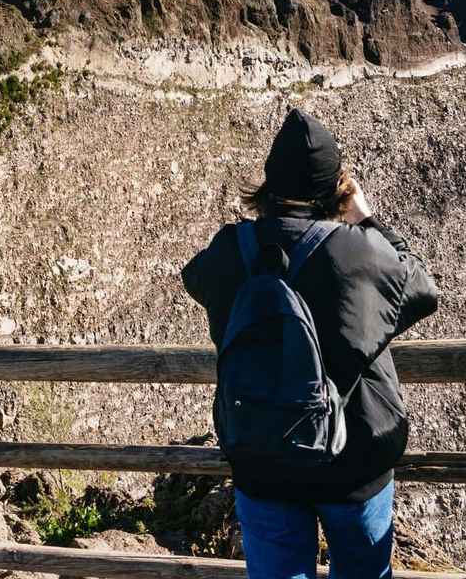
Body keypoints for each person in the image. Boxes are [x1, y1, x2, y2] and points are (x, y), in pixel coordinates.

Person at [182, 109, 440, 579]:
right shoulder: (359, 250)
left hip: (262, 456)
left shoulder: (233, 249)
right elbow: (422, 287)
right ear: (334, 188)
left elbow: (193, 278)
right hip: (354, 456)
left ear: (268, 184)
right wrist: (367, 220)